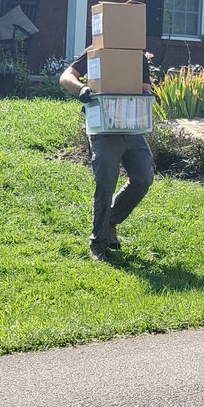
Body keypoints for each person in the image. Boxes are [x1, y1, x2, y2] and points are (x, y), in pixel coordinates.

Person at [59, 49, 155, 261]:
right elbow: (66, 77)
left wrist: (146, 95)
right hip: (103, 128)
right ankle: (98, 243)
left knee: (143, 177)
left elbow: (145, 88)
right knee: (106, 183)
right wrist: (81, 88)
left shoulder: (136, 55)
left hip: (131, 127)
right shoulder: (95, 52)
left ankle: (110, 221)